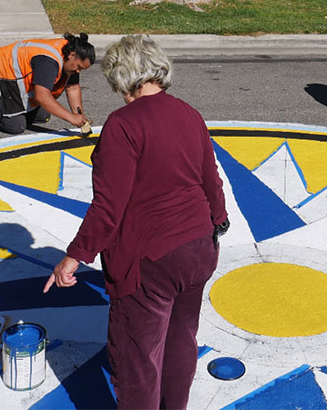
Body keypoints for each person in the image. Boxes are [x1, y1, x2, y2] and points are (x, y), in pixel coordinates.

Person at [44, 35, 228, 409]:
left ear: (122, 78)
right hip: (200, 249)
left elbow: (109, 206)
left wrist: (74, 257)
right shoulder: (189, 113)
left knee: (136, 359)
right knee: (181, 340)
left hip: (151, 260)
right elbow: (211, 180)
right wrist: (217, 224)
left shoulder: (122, 124)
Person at [0, 33, 94, 134]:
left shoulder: (70, 55)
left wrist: (80, 117)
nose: (78, 71)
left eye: (81, 69)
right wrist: (71, 118)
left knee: (43, 116)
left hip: (12, 80)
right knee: (15, 126)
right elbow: (41, 96)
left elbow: (72, 88)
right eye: (79, 67)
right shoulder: (48, 62)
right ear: (72, 55)